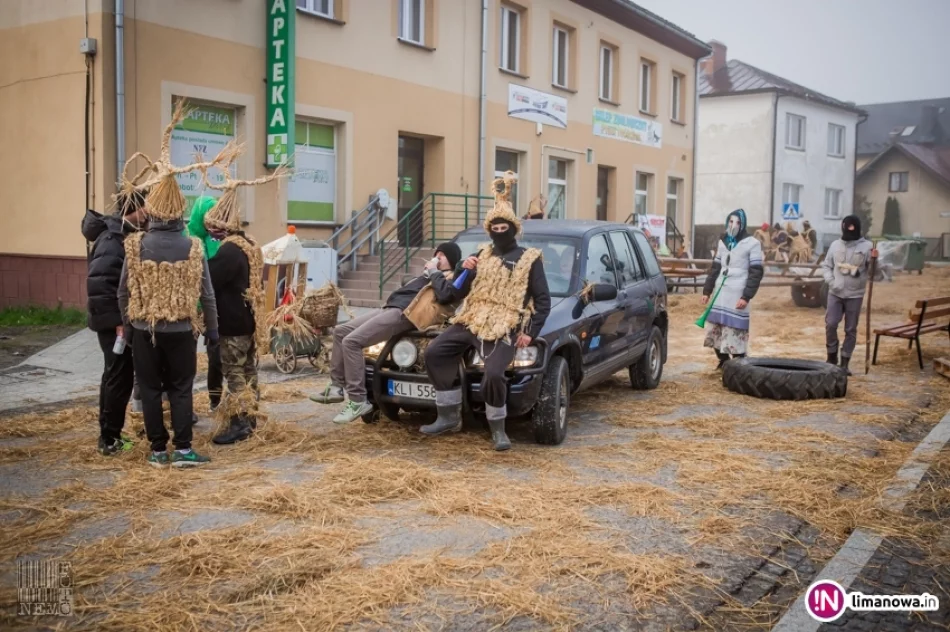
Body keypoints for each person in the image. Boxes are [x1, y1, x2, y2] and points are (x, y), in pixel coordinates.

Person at [117, 109, 221, 468]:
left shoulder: (135, 245)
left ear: (155, 211)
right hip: (180, 331)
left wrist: (129, 327)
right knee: (180, 388)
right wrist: (213, 333)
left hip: (145, 330)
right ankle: (184, 450)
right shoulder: (193, 246)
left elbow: (122, 292)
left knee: (148, 389)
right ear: (179, 211)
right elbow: (206, 294)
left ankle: (158, 452)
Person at [421, 173, 551, 451]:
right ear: (488, 230)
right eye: (495, 227)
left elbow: (543, 301)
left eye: (504, 226)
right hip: (472, 317)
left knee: (494, 374)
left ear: (514, 229)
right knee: (434, 352)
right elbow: (456, 293)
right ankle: (448, 414)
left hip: (504, 323)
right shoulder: (481, 255)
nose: (499, 231)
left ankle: (498, 428)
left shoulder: (530, 258)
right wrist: (463, 270)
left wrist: (530, 333)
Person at [310, 242, 462, 424]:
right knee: (341, 331)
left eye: (442, 255)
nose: (437, 256)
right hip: (389, 308)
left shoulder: (450, 277)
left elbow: (446, 296)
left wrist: (434, 272)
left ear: (451, 260)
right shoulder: (425, 275)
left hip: (404, 313)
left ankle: (358, 400)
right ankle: (336, 386)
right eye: (436, 253)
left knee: (352, 342)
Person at [81, 189, 148, 455]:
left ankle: (111, 435)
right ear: (136, 209)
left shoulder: (122, 235)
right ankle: (109, 439)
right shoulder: (112, 240)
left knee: (117, 377)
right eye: (146, 210)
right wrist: (118, 322)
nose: (148, 216)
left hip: (117, 322)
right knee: (117, 378)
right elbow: (100, 285)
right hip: (114, 325)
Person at [204, 190, 267, 444]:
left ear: (221, 226)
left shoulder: (229, 251)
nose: (211, 234)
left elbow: (210, 280)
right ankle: (250, 417)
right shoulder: (250, 244)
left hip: (232, 323)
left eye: (213, 229)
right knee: (249, 369)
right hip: (249, 320)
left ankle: (240, 422)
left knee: (234, 372)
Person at [702, 209, 764, 369]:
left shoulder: (752, 243)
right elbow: (715, 267)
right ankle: (723, 360)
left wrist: (746, 296)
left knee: (734, 329)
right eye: (730, 221)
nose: (733, 225)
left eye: (737, 222)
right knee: (715, 328)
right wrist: (707, 291)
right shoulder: (723, 241)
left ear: (742, 224)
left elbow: (756, 272)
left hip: (738, 292)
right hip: (720, 292)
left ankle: (739, 364)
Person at [822, 215, 874, 375]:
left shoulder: (867, 247)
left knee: (850, 329)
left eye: (852, 228)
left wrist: (875, 261)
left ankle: (844, 362)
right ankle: (831, 358)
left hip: (855, 294)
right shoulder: (835, 245)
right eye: (846, 227)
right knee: (831, 324)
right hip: (835, 293)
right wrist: (831, 281)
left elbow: (875, 274)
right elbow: (826, 266)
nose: (848, 231)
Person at [187, 195, 225, 412]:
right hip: (192, 309)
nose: (214, 222)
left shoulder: (219, 239)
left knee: (216, 357)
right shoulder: (188, 239)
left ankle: (215, 400)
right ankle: (187, 405)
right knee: (187, 360)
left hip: (215, 308)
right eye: (210, 217)